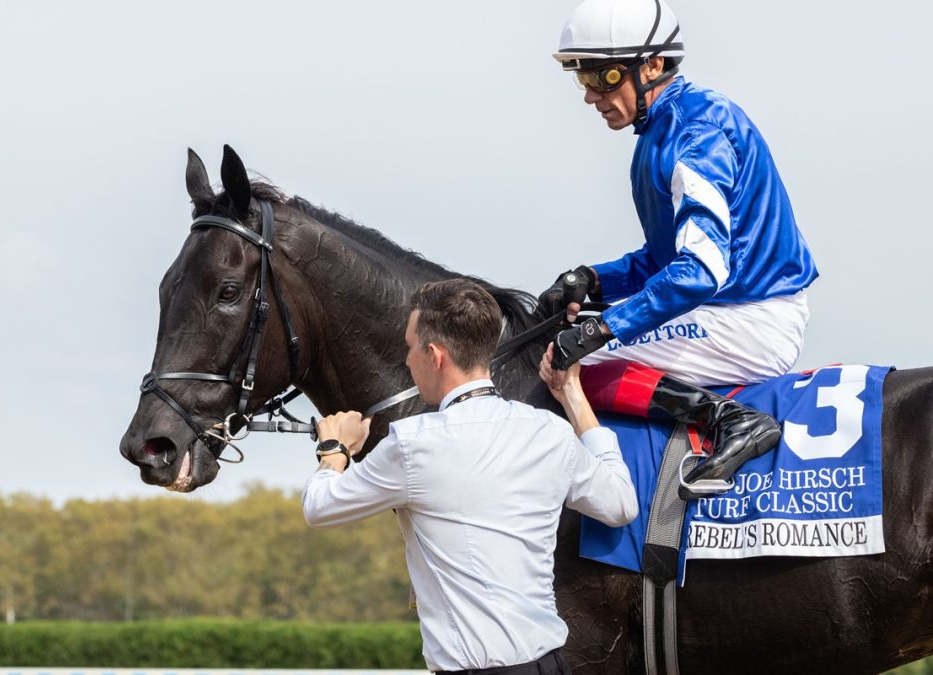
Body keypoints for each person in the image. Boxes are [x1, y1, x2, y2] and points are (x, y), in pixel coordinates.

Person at [538, 0, 818, 497]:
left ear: (651, 65)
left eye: (603, 77)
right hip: (727, 306)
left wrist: (603, 327)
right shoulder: (661, 130)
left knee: (569, 367)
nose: (590, 96)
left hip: (747, 316)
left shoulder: (695, 134)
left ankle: (732, 422)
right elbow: (663, 260)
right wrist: (595, 279)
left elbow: (699, 272)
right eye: (582, 79)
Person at [302, 278, 638, 675]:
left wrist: (334, 449)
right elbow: (621, 504)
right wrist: (574, 397)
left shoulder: (411, 443)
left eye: (409, 348)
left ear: (434, 355)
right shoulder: (550, 432)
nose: (407, 361)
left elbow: (319, 508)